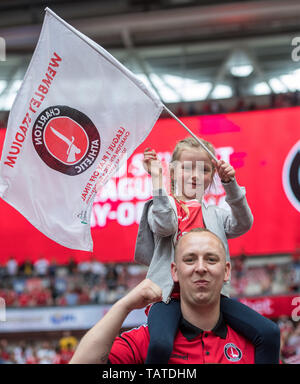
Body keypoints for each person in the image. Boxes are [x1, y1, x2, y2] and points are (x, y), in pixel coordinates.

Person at [134, 136, 280, 364]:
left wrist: (230, 184)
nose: (194, 175)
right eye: (187, 168)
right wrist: (157, 182)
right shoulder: (162, 206)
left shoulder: (216, 215)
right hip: (168, 300)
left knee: (269, 333)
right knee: (160, 344)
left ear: (212, 176)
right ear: (173, 172)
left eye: (203, 170)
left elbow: (244, 223)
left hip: (213, 300)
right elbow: (165, 226)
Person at [70, 229, 259, 364]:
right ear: (174, 272)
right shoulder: (144, 340)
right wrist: (123, 306)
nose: (201, 268)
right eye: (189, 259)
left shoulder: (254, 341)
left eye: (211, 259)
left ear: (226, 271)